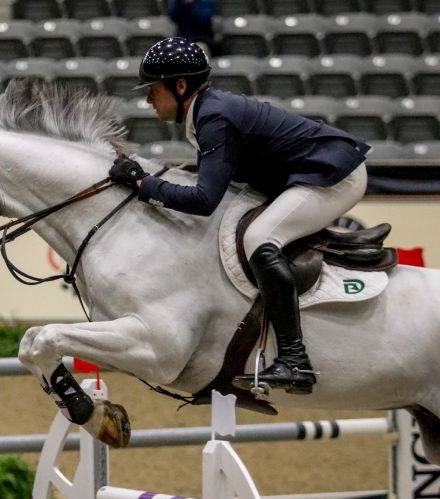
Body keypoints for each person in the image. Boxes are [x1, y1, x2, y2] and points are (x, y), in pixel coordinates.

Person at [108, 37, 370, 396]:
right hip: (300, 173)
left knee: (259, 239)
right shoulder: (206, 112)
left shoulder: (213, 116)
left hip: (333, 175)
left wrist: (143, 183)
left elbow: (204, 200)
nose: (148, 99)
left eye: (153, 89)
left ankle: (295, 360)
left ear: (180, 86)